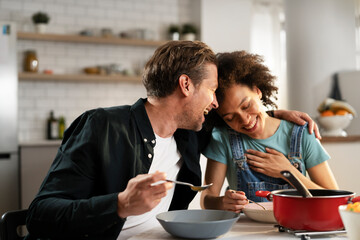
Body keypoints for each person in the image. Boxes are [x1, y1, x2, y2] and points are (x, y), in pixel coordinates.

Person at [25, 42, 320, 240]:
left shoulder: (190, 132)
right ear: (186, 84)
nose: (215, 103)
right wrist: (120, 204)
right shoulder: (102, 126)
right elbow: (40, 215)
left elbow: (237, 118)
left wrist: (274, 113)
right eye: (212, 91)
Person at [200, 51, 339, 213]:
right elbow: (206, 199)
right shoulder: (223, 138)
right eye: (231, 118)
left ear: (257, 91)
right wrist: (222, 203)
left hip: (296, 226)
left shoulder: (302, 133)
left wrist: (288, 173)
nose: (245, 120)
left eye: (246, 106)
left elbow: (334, 198)